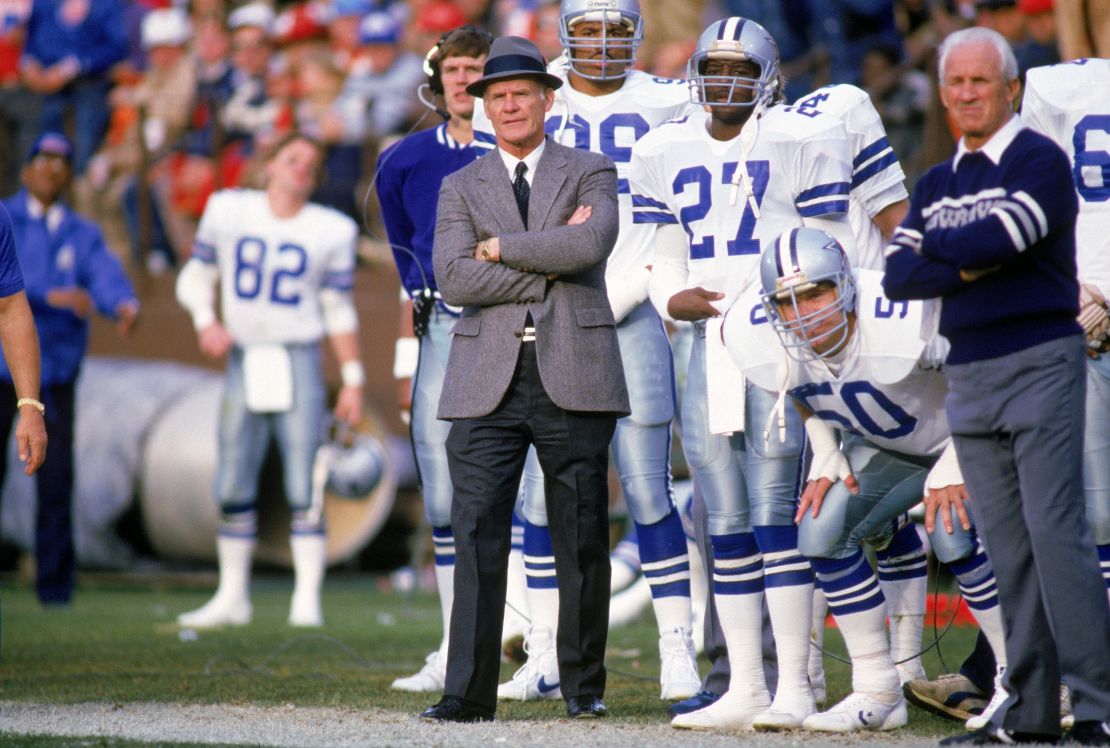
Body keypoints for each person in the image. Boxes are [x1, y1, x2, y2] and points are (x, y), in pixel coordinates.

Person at [883, 27, 1110, 746]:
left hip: (1040, 360)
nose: (968, 93)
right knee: (1007, 550)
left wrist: (954, 252)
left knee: (1057, 539)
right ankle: (1031, 713)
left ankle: (1098, 712)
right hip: (969, 375)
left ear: (1010, 88)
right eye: (957, 83)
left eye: (983, 81)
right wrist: (970, 258)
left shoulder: (1040, 158)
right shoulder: (937, 180)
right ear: (945, 94)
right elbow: (898, 274)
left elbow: (998, 241)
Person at [631, 15, 856, 731]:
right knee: (720, 516)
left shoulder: (798, 138)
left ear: (767, 77)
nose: (726, 81)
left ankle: (796, 681)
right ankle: (747, 686)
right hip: (705, 344)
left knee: (774, 513)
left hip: (782, 343)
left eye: (740, 68)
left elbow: (836, 243)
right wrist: (672, 296)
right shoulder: (663, 147)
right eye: (715, 67)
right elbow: (660, 248)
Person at [492, 0, 701, 705]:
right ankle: (546, 652)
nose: (605, 43)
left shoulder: (673, 100)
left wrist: (654, 277)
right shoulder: (535, 92)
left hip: (634, 307)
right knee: (542, 497)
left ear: (638, 34)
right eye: (589, 29)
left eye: (618, 29)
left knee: (646, 485)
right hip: (548, 310)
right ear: (565, 35)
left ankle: (679, 648)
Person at [725, 226, 1009, 733]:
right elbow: (796, 386)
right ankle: (879, 687)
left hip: (975, 434)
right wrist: (826, 447)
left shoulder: (903, 311)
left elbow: (985, 368)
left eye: (816, 292)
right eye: (787, 301)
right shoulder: (763, 338)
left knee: (950, 531)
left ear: (847, 285)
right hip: (893, 447)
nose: (804, 311)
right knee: (820, 528)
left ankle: (1018, 681)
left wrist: (954, 464)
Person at [420, 35, 625, 724]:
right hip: (485, 378)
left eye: (521, 93)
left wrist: (502, 247)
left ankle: (583, 688)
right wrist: (550, 255)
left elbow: (590, 244)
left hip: (574, 369)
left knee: (582, 535)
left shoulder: (591, 168)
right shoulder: (459, 185)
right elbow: (453, 277)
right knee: (476, 530)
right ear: (484, 105)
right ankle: (467, 692)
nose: (509, 105)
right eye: (497, 95)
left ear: (546, 98)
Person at [175, 131, 364, 630]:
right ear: (269, 165)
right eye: (294, 158)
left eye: (312, 163)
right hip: (244, 353)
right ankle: (232, 596)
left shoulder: (331, 229)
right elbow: (195, 276)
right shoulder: (230, 209)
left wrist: (353, 377)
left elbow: (336, 309)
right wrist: (204, 321)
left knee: (307, 476)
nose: (303, 168)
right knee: (234, 473)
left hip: (299, 354)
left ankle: (306, 601)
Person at [374, 24, 493, 695]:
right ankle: (455, 644)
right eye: (455, 70)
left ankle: (538, 641)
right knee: (444, 493)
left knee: (531, 489)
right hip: (441, 328)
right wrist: (400, 357)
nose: (464, 80)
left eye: (476, 67)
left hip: (518, 322)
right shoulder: (404, 161)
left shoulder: (522, 155)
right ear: (438, 77)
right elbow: (408, 266)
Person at [1, 131, 135, 605]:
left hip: (52, 371)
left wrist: (121, 302)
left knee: (55, 477)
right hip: (2, 366)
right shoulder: (10, 217)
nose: (52, 169)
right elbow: (15, 296)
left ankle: (55, 585)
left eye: (61, 160)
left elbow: (103, 271)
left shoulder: (80, 231)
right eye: (43, 159)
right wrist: (50, 296)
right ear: (26, 168)